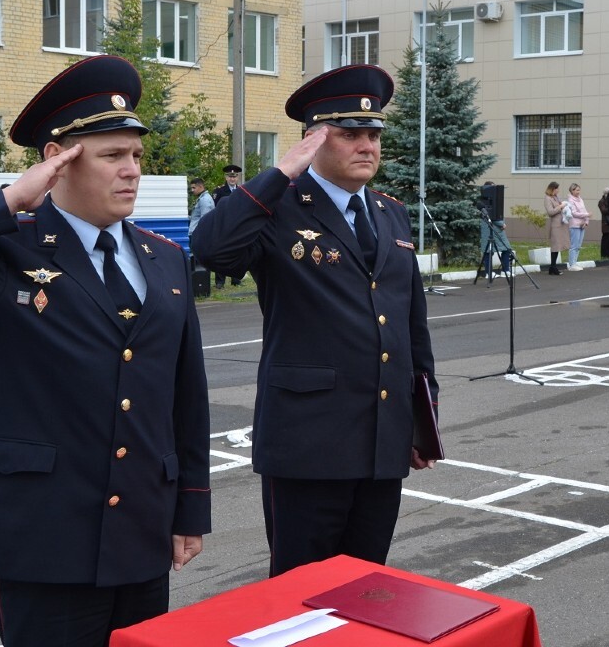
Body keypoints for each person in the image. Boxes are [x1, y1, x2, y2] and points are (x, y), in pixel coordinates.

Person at [0, 55, 212, 646]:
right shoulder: (5, 250)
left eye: (135, 155)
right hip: (42, 532)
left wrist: (191, 508)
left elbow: (186, 392)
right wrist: (5, 202)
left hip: (141, 527)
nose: (131, 171)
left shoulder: (164, 258)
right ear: (58, 160)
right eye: (111, 156)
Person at [191, 64, 437, 578]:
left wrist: (422, 418)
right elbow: (213, 250)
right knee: (300, 592)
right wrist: (282, 173)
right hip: (309, 444)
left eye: (372, 135)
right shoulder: (277, 207)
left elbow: (412, 321)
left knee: (366, 584)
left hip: (382, 440)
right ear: (315, 139)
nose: (367, 145)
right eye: (350, 135)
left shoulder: (390, 212)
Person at [210, 164, 245, 287]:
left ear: (237, 178)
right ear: (226, 177)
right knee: (221, 252)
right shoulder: (219, 191)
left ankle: (236, 279)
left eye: (234, 177)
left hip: (237, 226)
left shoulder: (242, 190)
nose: (232, 179)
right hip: (223, 225)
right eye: (230, 177)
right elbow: (213, 209)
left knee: (238, 251)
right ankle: (220, 281)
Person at [477, 181, 512, 278]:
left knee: (506, 249)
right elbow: (493, 217)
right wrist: (502, 224)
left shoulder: (494, 200)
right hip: (491, 230)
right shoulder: (484, 203)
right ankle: (489, 273)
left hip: (498, 231)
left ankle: (506, 270)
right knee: (488, 252)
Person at [543, 181, 570, 276]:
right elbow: (550, 212)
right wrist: (560, 207)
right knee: (555, 246)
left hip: (561, 223)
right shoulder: (547, 198)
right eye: (557, 188)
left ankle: (553, 266)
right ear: (552, 189)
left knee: (558, 246)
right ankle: (553, 267)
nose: (558, 190)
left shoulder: (555, 197)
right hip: (556, 225)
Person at [565, 183, 590, 270]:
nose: (578, 192)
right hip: (575, 225)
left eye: (579, 190)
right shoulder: (570, 201)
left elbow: (584, 210)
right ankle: (572, 264)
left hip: (582, 225)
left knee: (578, 245)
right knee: (574, 245)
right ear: (572, 191)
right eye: (576, 190)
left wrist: (586, 221)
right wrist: (587, 214)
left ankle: (575, 262)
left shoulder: (580, 199)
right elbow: (574, 213)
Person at [597, 188, 609, 259]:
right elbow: (603, 210)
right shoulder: (601, 201)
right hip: (606, 224)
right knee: (606, 240)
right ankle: (604, 255)